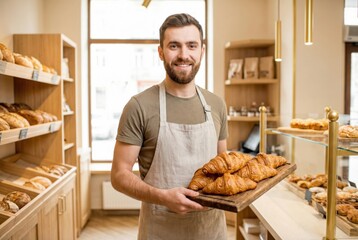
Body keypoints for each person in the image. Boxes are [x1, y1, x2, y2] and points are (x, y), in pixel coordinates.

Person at [111, 13, 228, 240]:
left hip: (211, 231)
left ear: (202, 51)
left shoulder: (216, 104)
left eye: (191, 45)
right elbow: (119, 174)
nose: (184, 55)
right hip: (160, 231)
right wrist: (163, 197)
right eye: (174, 46)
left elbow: (223, 166)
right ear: (161, 52)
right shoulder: (139, 106)